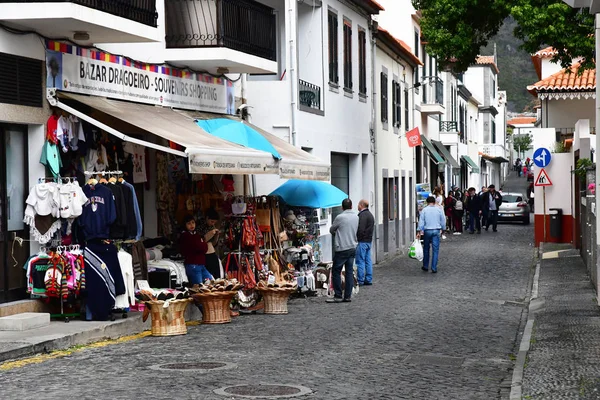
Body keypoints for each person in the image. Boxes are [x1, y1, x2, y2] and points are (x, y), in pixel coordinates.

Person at [327, 198, 359, 303]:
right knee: (349, 272)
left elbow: (332, 229)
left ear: (342, 207)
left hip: (342, 248)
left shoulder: (340, 217)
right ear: (351, 206)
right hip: (352, 247)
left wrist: (336, 234)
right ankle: (348, 296)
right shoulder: (356, 217)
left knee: (336, 271)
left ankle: (338, 295)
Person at [179, 215, 213, 285]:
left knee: (211, 282)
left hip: (201, 264)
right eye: (189, 223)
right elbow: (198, 247)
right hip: (193, 265)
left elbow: (204, 248)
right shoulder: (185, 236)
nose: (192, 225)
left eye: (193, 222)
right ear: (185, 225)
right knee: (198, 287)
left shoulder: (196, 235)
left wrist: (202, 244)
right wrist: (202, 243)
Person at [417, 196, 446, 273]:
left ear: (427, 202)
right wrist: (443, 229)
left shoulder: (424, 210)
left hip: (427, 230)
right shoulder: (439, 210)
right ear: (434, 202)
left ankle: (425, 266)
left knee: (426, 248)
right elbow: (443, 221)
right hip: (436, 230)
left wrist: (419, 230)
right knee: (435, 250)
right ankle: (434, 267)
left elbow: (421, 221)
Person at [197, 208, 221, 279]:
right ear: (207, 218)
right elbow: (200, 242)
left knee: (216, 278)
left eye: (214, 222)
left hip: (212, 254)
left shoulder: (212, 227)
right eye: (212, 221)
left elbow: (213, 243)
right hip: (204, 256)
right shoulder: (199, 226)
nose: (212, 224)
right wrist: (209, 234)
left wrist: (217, 236)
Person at [356, 199, 375, 286]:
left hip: (362, 241)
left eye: (358, 204)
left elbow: (361, 229)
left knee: (360, 261)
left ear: (361, 205)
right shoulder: (370, 215)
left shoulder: (362, 215)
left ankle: (360, 280)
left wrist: (358, 238)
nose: (357, 206)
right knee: (368, 260)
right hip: (368, 240)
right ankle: (369, 278)